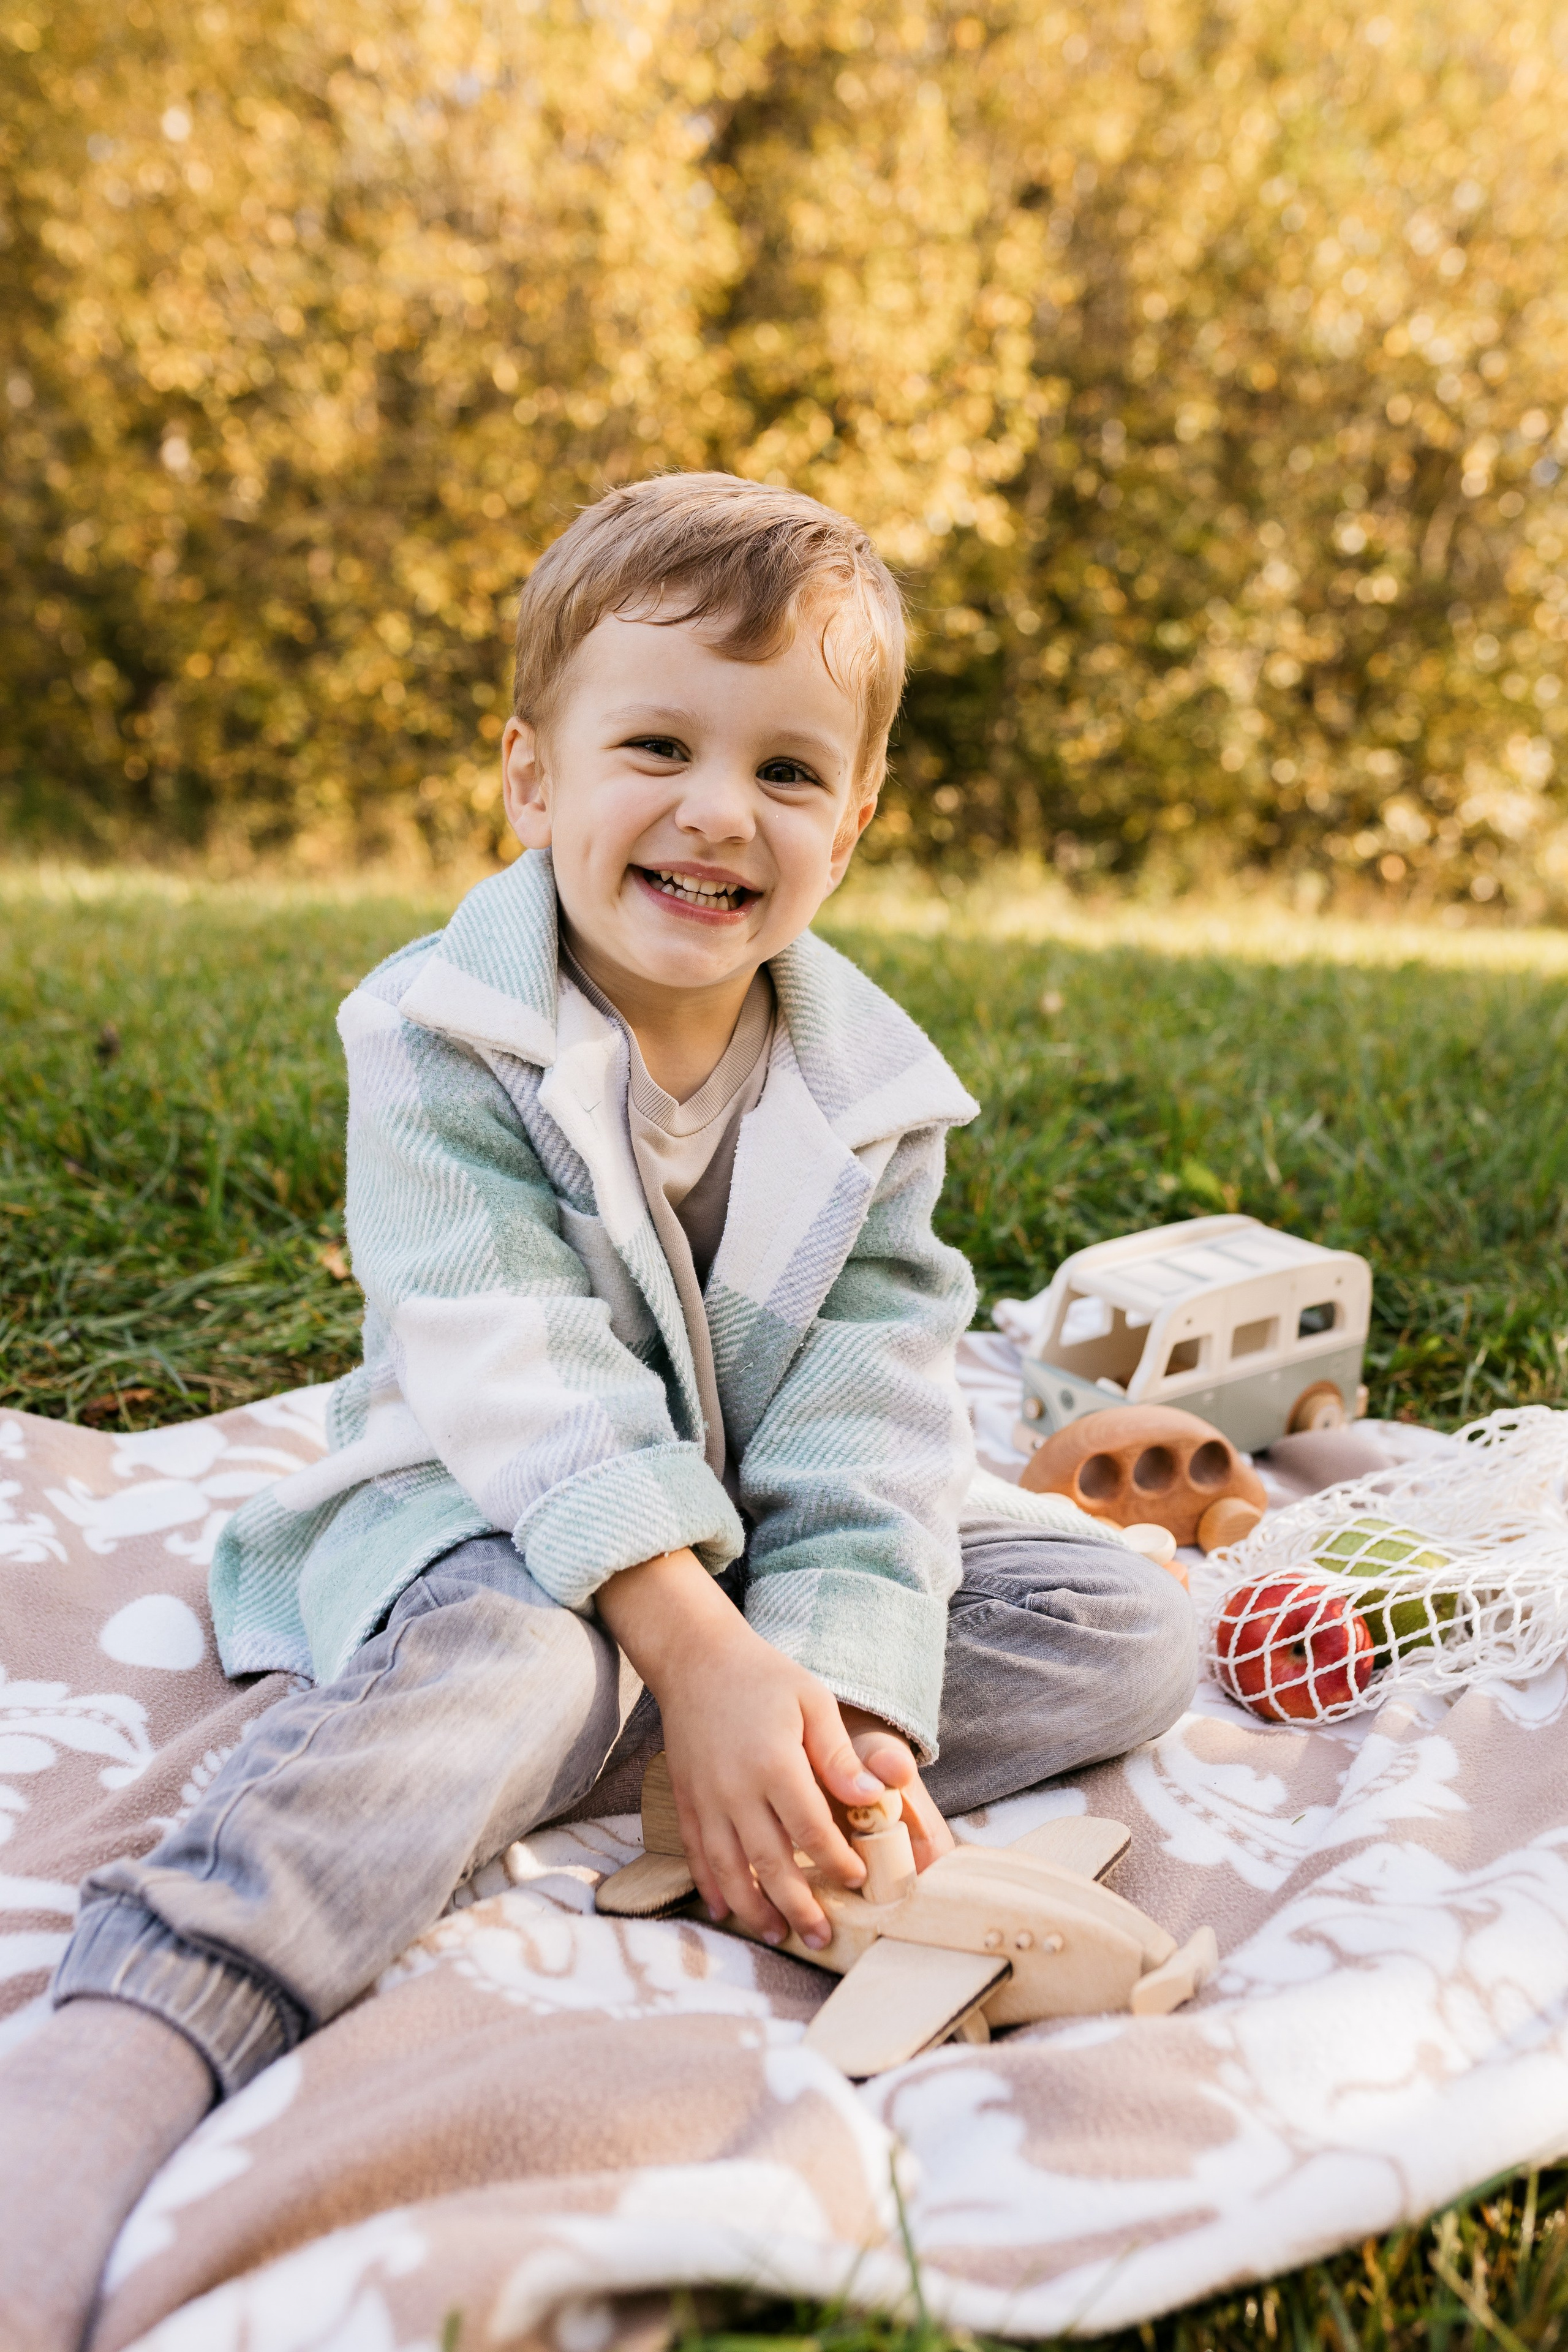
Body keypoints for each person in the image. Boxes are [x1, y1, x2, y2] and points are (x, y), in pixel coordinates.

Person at [0, 472, 1196, 2348]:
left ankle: (735, 1794)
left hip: (740, 1571)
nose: (722, 809)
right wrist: (689, 1656)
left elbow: (871, 1420)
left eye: (789, 774)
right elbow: (512, 1363)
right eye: (658, 744)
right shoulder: (435, 1035)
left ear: (855, 822)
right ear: (533, 778)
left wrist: (832, 1696)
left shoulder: (870, 1096)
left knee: (1124, 1621)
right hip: (485, 1519)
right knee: (519, 1665)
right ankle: (143, 2028)